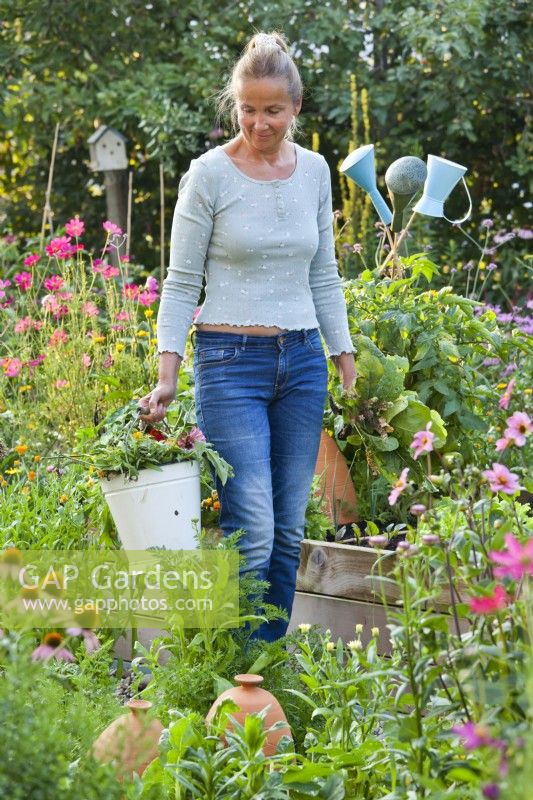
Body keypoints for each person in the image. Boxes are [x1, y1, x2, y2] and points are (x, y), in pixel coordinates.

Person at [139, 30, 356, 642]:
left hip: (303, 361)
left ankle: (266, 669)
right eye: (248, 108)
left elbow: (324, 272)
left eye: (273, 110)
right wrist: (167, 372)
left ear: (295, 108)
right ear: (235, 105)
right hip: (230, 363)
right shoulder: (208, 176)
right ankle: (235, 673)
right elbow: (180, 282)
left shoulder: (314, 171)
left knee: (288, 527)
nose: (260, 123)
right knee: (253, 525)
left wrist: (342, 353)